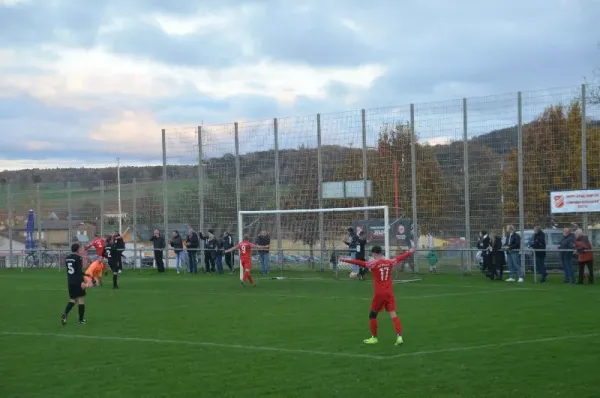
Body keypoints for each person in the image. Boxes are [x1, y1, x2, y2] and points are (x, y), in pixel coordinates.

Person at [340, 246, 416, 346]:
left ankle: (374, 338)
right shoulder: (389, 262)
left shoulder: (373, 263)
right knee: (393, 314)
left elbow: (360, 263)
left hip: (379, 294)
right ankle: (399, 337)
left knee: (372, 315)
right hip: (389, 292)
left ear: (375, 253)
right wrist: (409, 252)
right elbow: (400, 258)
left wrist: (344, 260)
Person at [61, 242, 87, 326]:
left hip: (70, 281)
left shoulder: (67, 258)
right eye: (79, 248)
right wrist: (82, 281)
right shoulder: (78, 258)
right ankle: (81, 320)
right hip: (78, 281)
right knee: (81, 300)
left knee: (73, 299)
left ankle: (65, 313)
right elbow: (79, 272)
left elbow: (73, 270)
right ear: (77, 250)